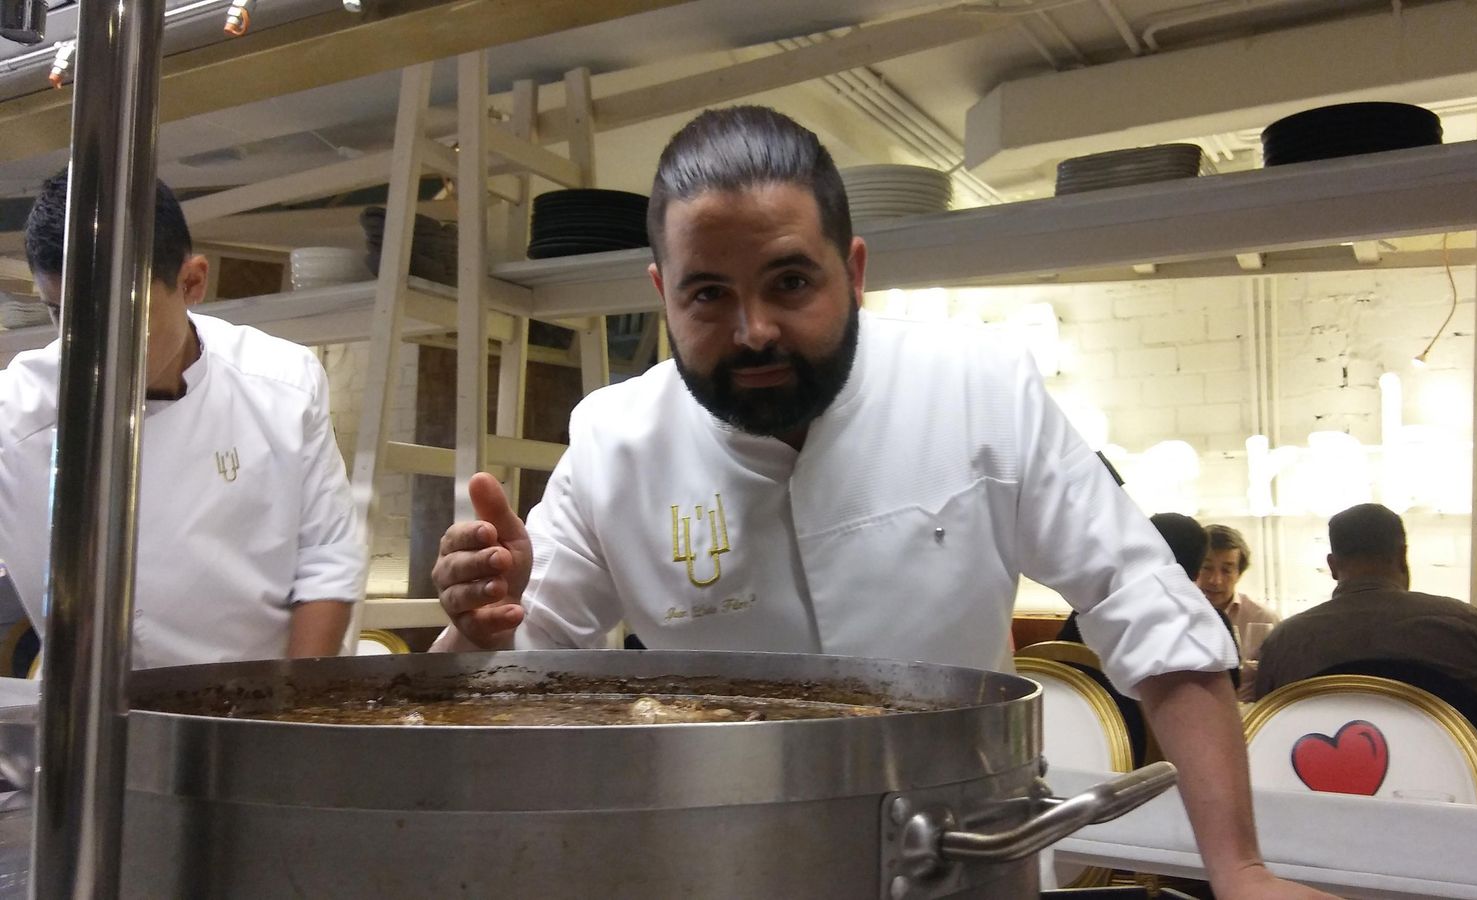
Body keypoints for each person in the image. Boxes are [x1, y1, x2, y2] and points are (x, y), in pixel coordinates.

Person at [432, 106, 1328, 899]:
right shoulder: (612, 442)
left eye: (790, 282)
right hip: (717, 868)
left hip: (965, 858)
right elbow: (509, 680)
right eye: (710, 294)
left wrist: (1239, 871)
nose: (754, 332)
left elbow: (1149, 612)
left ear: (853, 271)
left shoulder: (981, 389)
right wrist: (476, 628)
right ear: (664, 296)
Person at [0, 172, 365, 668]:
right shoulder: (16, 416)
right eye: (62, 315)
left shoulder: (284, 382)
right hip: (93, 730)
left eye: (118, 316)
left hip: (260, 713)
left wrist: (291, 719)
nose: (87, 348)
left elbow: (326, 562)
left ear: (191, 282)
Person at [1255, 503, 1477, 737]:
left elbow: (1269, 732)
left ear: (1332, 566)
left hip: (1330, 801)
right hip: (1470, 800)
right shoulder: (1469, 625)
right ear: (1402, 556)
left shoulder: (1285, 642)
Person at [1058, 513, 1242, 691]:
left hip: (1077, 718)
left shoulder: (1092, 611)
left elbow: (1057, 666)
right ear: (1196, 571)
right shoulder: (1208, 620)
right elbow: (1229, 688)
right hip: (1161, 721)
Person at [1199, 524, 1280, 699]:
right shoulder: (1177, 617)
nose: (1216, 580)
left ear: (1239, 573)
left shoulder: (1263, 618)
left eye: (1227, 570)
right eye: (1207, 567)